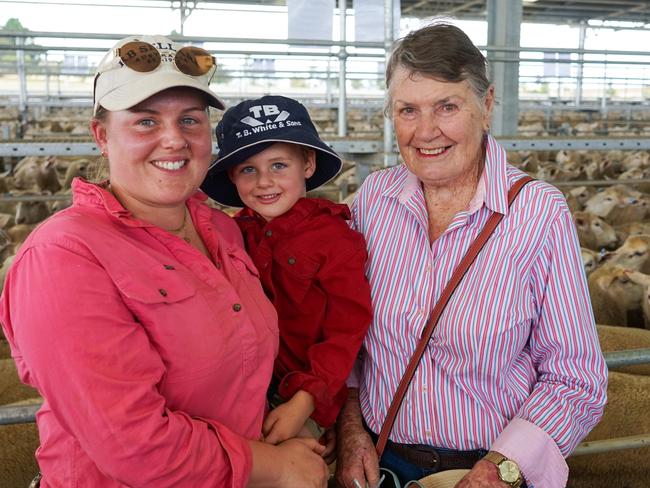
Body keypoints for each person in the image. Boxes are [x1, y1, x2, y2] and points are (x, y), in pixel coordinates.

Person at [0, 35, 328, 488]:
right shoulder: (64, 256)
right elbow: (132, 443)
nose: (174, 140)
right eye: (145, 121)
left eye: (189, 120)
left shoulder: (226, 232)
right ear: (101, 135)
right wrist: (273, 466)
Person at [334, 22, 608, 488]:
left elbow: (576, 377)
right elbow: (349, 340)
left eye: (447, 106)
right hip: (381, 464)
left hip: (487, 467)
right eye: (407, 110)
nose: (425, 131)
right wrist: (351, 432)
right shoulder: (373, 201)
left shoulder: (538, 213)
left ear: (486, 105)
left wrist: (498, 472)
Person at [201, 95, 373, 450]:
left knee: (288, 459)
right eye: (248, 169)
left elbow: (346, 331)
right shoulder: (230, 234)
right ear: (232, 176)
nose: (265, 182)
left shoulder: (336, 240)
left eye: (279, 165)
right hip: (245, 387)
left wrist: (307, 400)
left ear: (308, 164)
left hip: (305, 395)